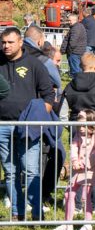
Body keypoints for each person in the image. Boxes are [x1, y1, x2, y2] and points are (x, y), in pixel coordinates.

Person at [0, 27, 56, 219]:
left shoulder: (34, 64)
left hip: (28, 127)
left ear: (20, 42)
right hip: (3, 126)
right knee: (10, 172)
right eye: (3, 42)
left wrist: (38, 117)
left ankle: (37, 213)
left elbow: (49, 95)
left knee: (31, 170)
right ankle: (17, 212)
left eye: (10, 42)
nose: (6, 46)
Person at [53, 110, 95, 230]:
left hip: (91, 169)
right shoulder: (78, 135)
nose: (81, 128)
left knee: (85, 196)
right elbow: (74, 147)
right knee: (68, 193)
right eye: (79, 125)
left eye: (83, 125)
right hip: (78, 168)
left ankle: (87, 224)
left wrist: (85, 163)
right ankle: (67, 225)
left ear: (92, 124)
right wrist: (75, 161)